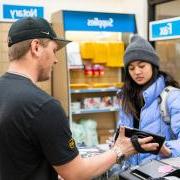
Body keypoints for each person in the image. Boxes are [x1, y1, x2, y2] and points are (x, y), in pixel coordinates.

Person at [0, 17, 158, 180]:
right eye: (54, 50)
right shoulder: (44, 106)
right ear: (36, 47)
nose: (55, 60)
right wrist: (120, 150)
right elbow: (76, 173)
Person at [117, 35, 180, 167]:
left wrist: (167, 149)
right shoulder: (126, 98)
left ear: (153, 65)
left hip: (159, 171)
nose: (137, 72)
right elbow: (122, 131)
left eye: (142, 66)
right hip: (131, 172)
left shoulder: (172, 97)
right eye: (131, 68)